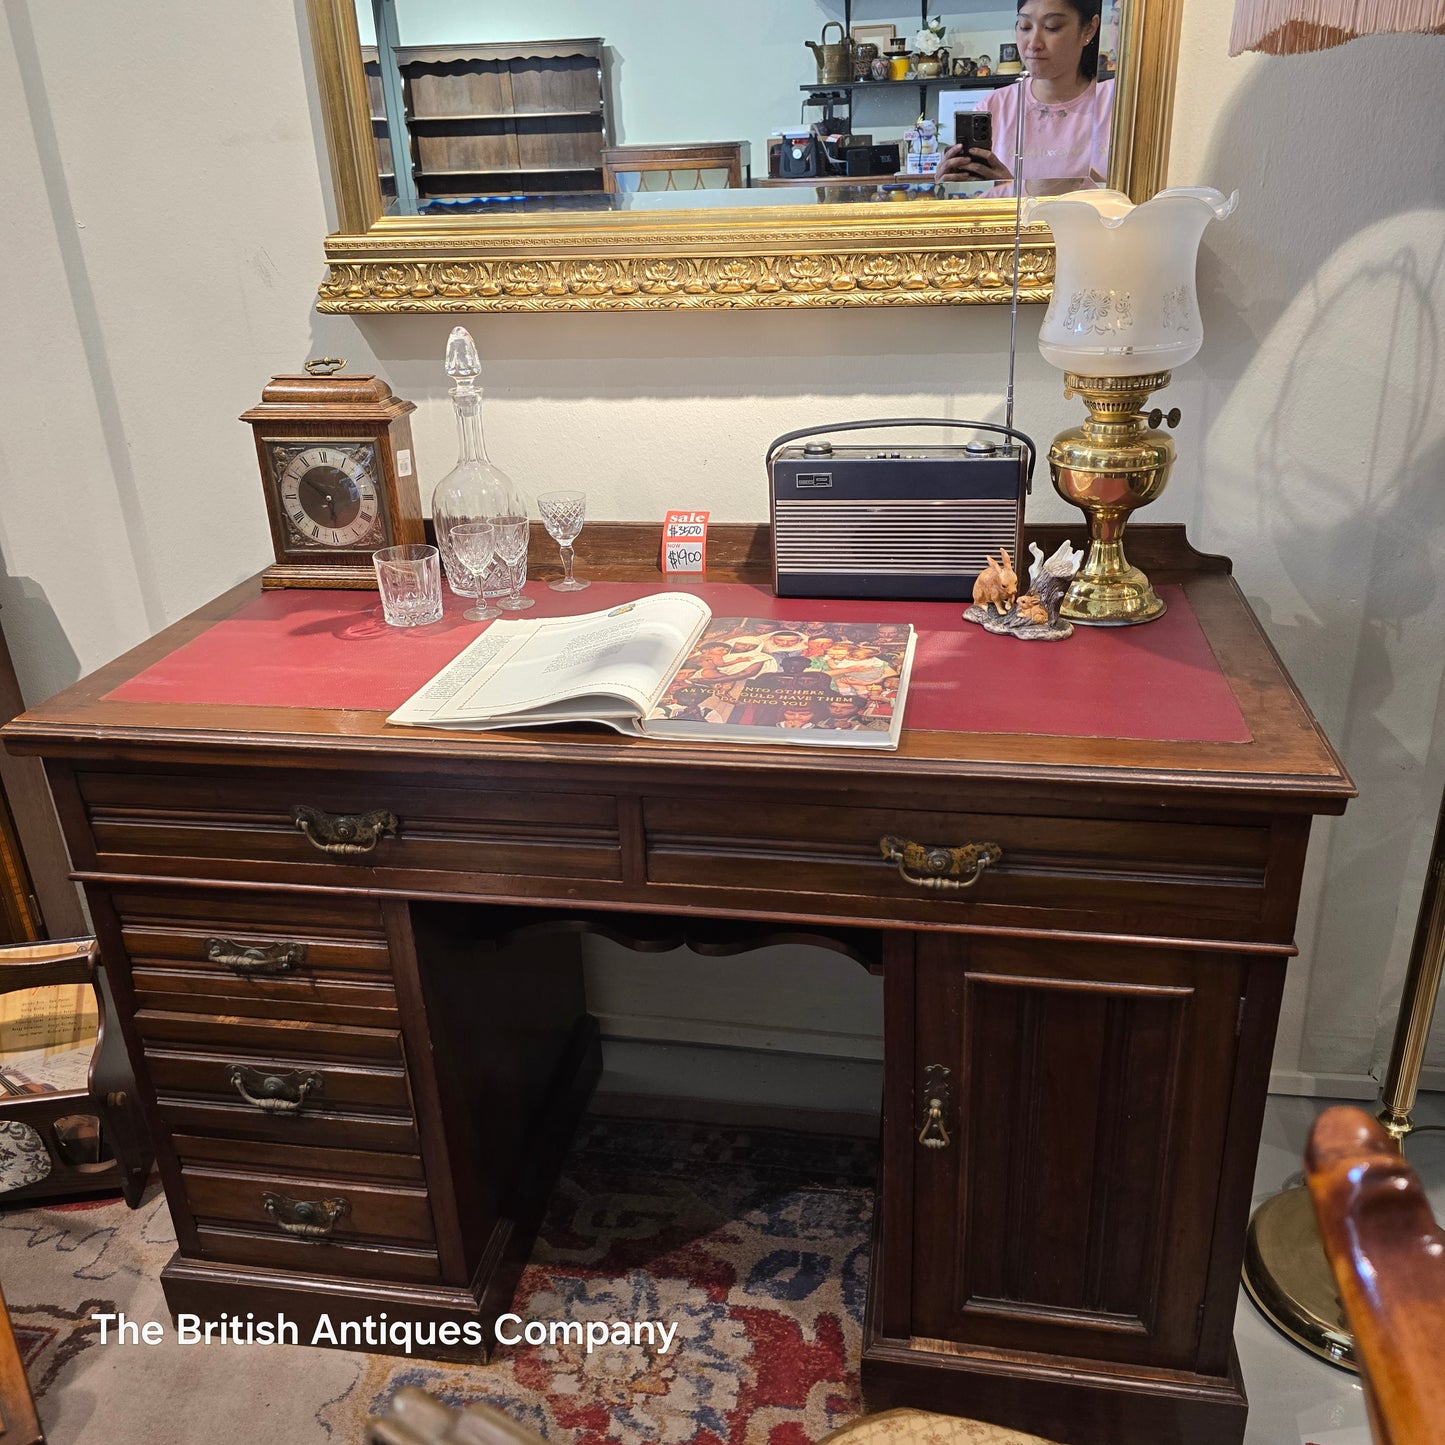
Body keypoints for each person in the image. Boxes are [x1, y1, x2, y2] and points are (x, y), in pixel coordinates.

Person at [935, 0, 1113, 191]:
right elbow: (977, 206)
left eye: (1052, 27)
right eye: (1025, 26)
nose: (1034, 43)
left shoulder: (1114, 103)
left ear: (1089, 29)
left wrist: (1014, 190)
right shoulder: (995, 106)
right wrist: (947, 188)